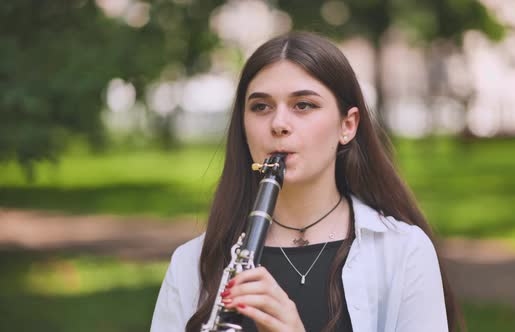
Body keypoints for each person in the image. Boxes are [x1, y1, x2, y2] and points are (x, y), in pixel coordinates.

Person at [150, 31, 461, 332]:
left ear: (347, 125)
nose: (279, 124)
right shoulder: (192, 263)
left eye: (303, 105)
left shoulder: (403, 252)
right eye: (261, 107)